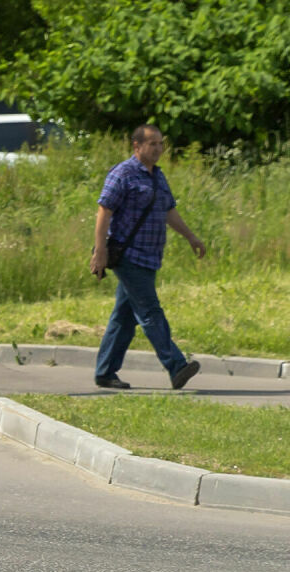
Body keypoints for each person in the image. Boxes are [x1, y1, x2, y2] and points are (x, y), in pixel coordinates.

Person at [90, 124, 205, 391]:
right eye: (152, 144)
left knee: (124, 317)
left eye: (160, 144)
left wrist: (191, 237)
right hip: (128, 256)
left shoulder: (158, 177)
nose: (158, 148)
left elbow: (168, 212)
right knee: (150, 311)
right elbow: (104, 211)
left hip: (150, 257)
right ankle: (176, 366)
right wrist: (100, 251)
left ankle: (105, 371)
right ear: (137, 146)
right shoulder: (123, 173)